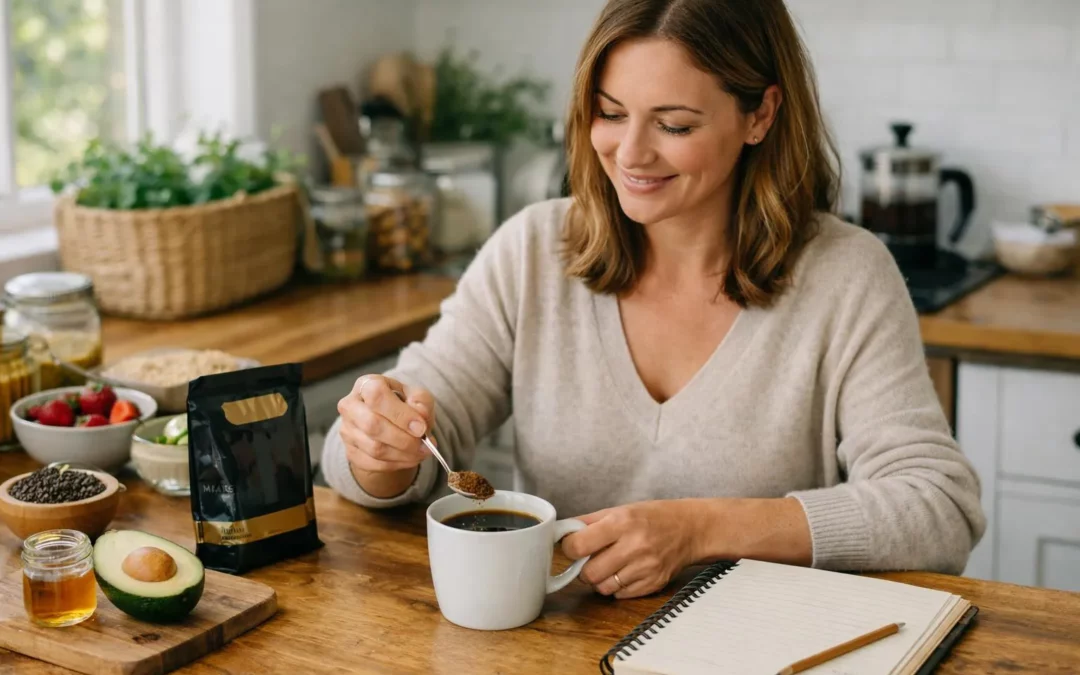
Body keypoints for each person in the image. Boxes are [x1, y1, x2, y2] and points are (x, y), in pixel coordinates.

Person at [322, 0, 985, 599]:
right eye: (609, 113)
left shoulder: (847, 276)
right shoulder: (530, 252)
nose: (629, 153)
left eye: (673, 124)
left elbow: (937, 506)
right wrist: (376, 444)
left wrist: (699, 529)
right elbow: (396, 436)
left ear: (760, 114)